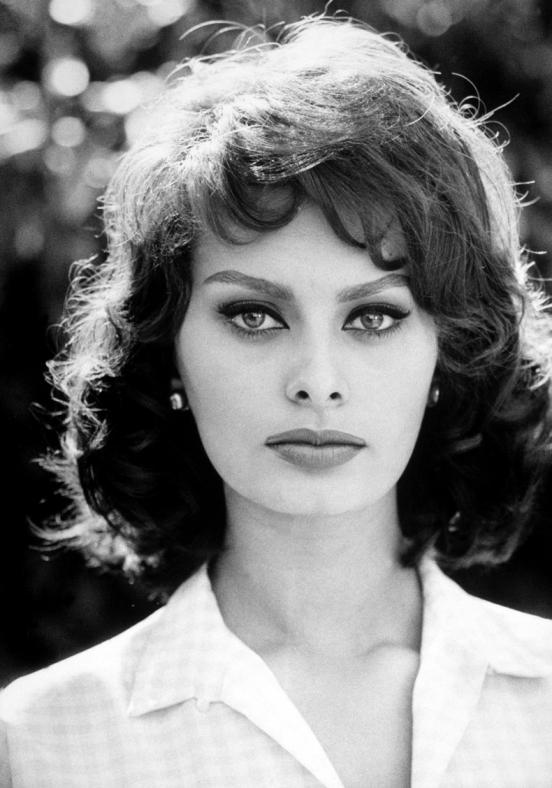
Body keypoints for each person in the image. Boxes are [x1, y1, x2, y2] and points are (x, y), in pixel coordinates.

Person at [2, 14, 552, 787]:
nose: (317, 380)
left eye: (372, 317)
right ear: (168, 351)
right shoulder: (41, 744)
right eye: (254, 316)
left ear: (447, 354)